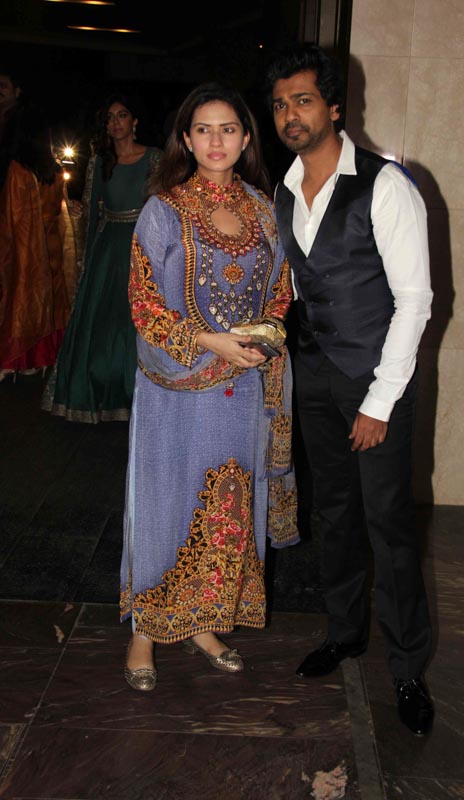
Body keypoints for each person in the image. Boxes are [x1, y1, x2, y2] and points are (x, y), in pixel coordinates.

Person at [265, 44, 434, 736]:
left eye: (303, 100)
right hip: (314, 376)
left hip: (374, 379)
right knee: (333, 512)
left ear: (335, 107)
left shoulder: (386, 185)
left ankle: (408, 667)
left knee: (388, 524)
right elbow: (298, 283)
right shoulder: (283, 188)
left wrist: (378, 401)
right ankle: (343, 632)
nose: (290, 115)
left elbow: (415, 301)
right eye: (280, 104)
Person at [119, 83, 298, 691]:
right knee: (165, 502)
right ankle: (145, 631)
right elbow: (144, 305)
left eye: (228, 129)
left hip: (241, 388)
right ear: (186, 139)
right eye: (203, 129)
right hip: (175, 388)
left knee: (226, 506)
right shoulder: (163, 210)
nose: (216, 140)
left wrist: (262, 338)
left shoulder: (263, 210)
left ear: (246, 139)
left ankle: (203, 624)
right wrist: (209, 342)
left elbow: (280, 292)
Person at [43, 93, 161, 422]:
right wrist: (85, 247)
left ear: (134, 121)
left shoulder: (155, 158)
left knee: (135, 322)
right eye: (110, 118)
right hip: (108, 249)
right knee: (102, 325)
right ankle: (97, 393)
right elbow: (92, 209)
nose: (115, 122)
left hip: (142, 245)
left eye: (122, 115)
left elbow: (164, 208)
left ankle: (139, 394)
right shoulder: (99, 161)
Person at [0, 103, 76, 379]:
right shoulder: (53, 169)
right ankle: (43, 358)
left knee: (22, 298)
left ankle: (18, 359)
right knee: (51, 301)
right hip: (51, 245)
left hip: (27, 248)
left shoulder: (18, 171)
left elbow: (14, 221)